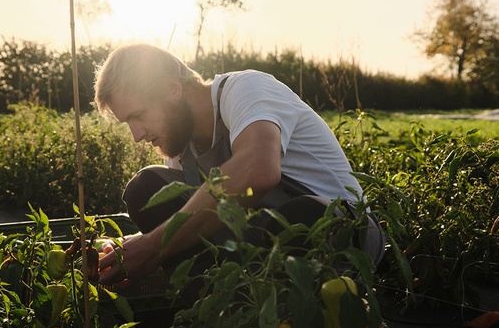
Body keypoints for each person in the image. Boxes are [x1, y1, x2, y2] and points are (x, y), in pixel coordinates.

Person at [95, 43, 384, 286]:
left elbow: (259, 171)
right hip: (261, 250)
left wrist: (152, 247)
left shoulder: (245, 89)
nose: (137, 135)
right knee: (146, 190)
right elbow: (189, 218)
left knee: (303, 217)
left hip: (342, 234)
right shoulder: (181, 144)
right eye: (127, 123)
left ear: (172, 90)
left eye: (139, 115)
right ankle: (215, 309)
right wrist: (124, 250)